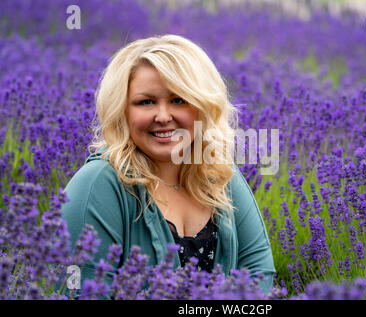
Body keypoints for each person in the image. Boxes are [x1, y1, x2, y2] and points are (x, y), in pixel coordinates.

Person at [60, 34, 275, 299]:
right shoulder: (99, 185)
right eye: (146, 102)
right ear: (122, 111)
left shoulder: (218, 173)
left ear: (203, 107)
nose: (163, 117)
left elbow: (257, 270)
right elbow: (82, 290)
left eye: (178, 100)